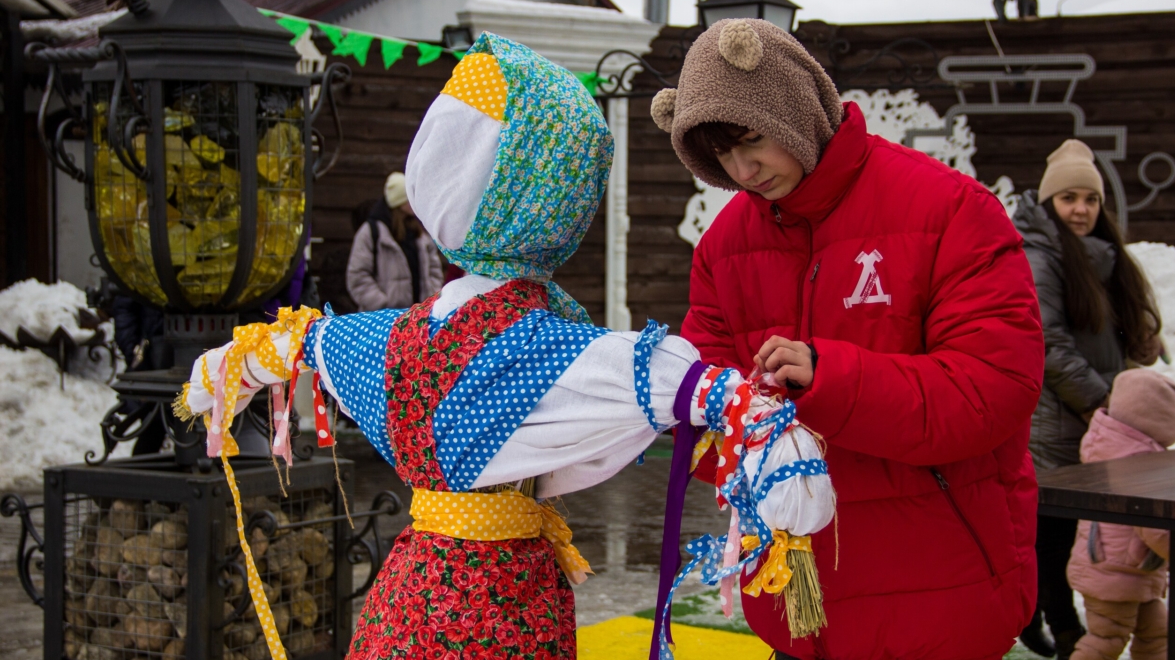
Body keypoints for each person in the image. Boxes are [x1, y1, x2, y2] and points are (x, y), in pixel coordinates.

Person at [178, 34, 829, 659]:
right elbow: (689, 385)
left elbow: (303, 339)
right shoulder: (548, 348)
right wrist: (780, 449)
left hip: (411, 599)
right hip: (507, 609)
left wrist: (222, 371)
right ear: (562, 199)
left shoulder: (393, 339)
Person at [652, 19, 1044, 659]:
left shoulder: (948, 209)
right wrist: (686, 406)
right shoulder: (723, 247)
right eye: (722, 154)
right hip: (795, 610)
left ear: (796, 112)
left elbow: (993, 393)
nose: (743, 169)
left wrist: (828, 380)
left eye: (752, 140)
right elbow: (705, 437)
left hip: (941, 600)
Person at [1013, 139, 1164, 658]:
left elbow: (1113, 331)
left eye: (1090, 200)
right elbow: (1049, 345)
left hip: (1090, 421)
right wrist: (1107, 407)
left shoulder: (1099, 257)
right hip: (1057, 420)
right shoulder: (1040, 257)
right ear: (1050, 202)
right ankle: (1060, 625)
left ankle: (1042, 615)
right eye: (1069, 198)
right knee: (1053, 532)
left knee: (1076, 528)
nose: (1081, 209)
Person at [1066, 369, 1175, 660]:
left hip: (1127, 571)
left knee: (1156, 638)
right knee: (1105, 640)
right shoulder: (1137, 465)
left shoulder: (1112, 446)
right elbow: (1156, 528)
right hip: (1114, 574)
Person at [345, 171, 443, 311]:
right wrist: (383, 305)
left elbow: (434, 268)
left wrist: (430, 298)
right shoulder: (371, 232)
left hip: (419, 319)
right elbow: (357, 276)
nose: (414, 202)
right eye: (409, 198)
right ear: (399, 201)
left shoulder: (419, 231)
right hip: (383, 321)